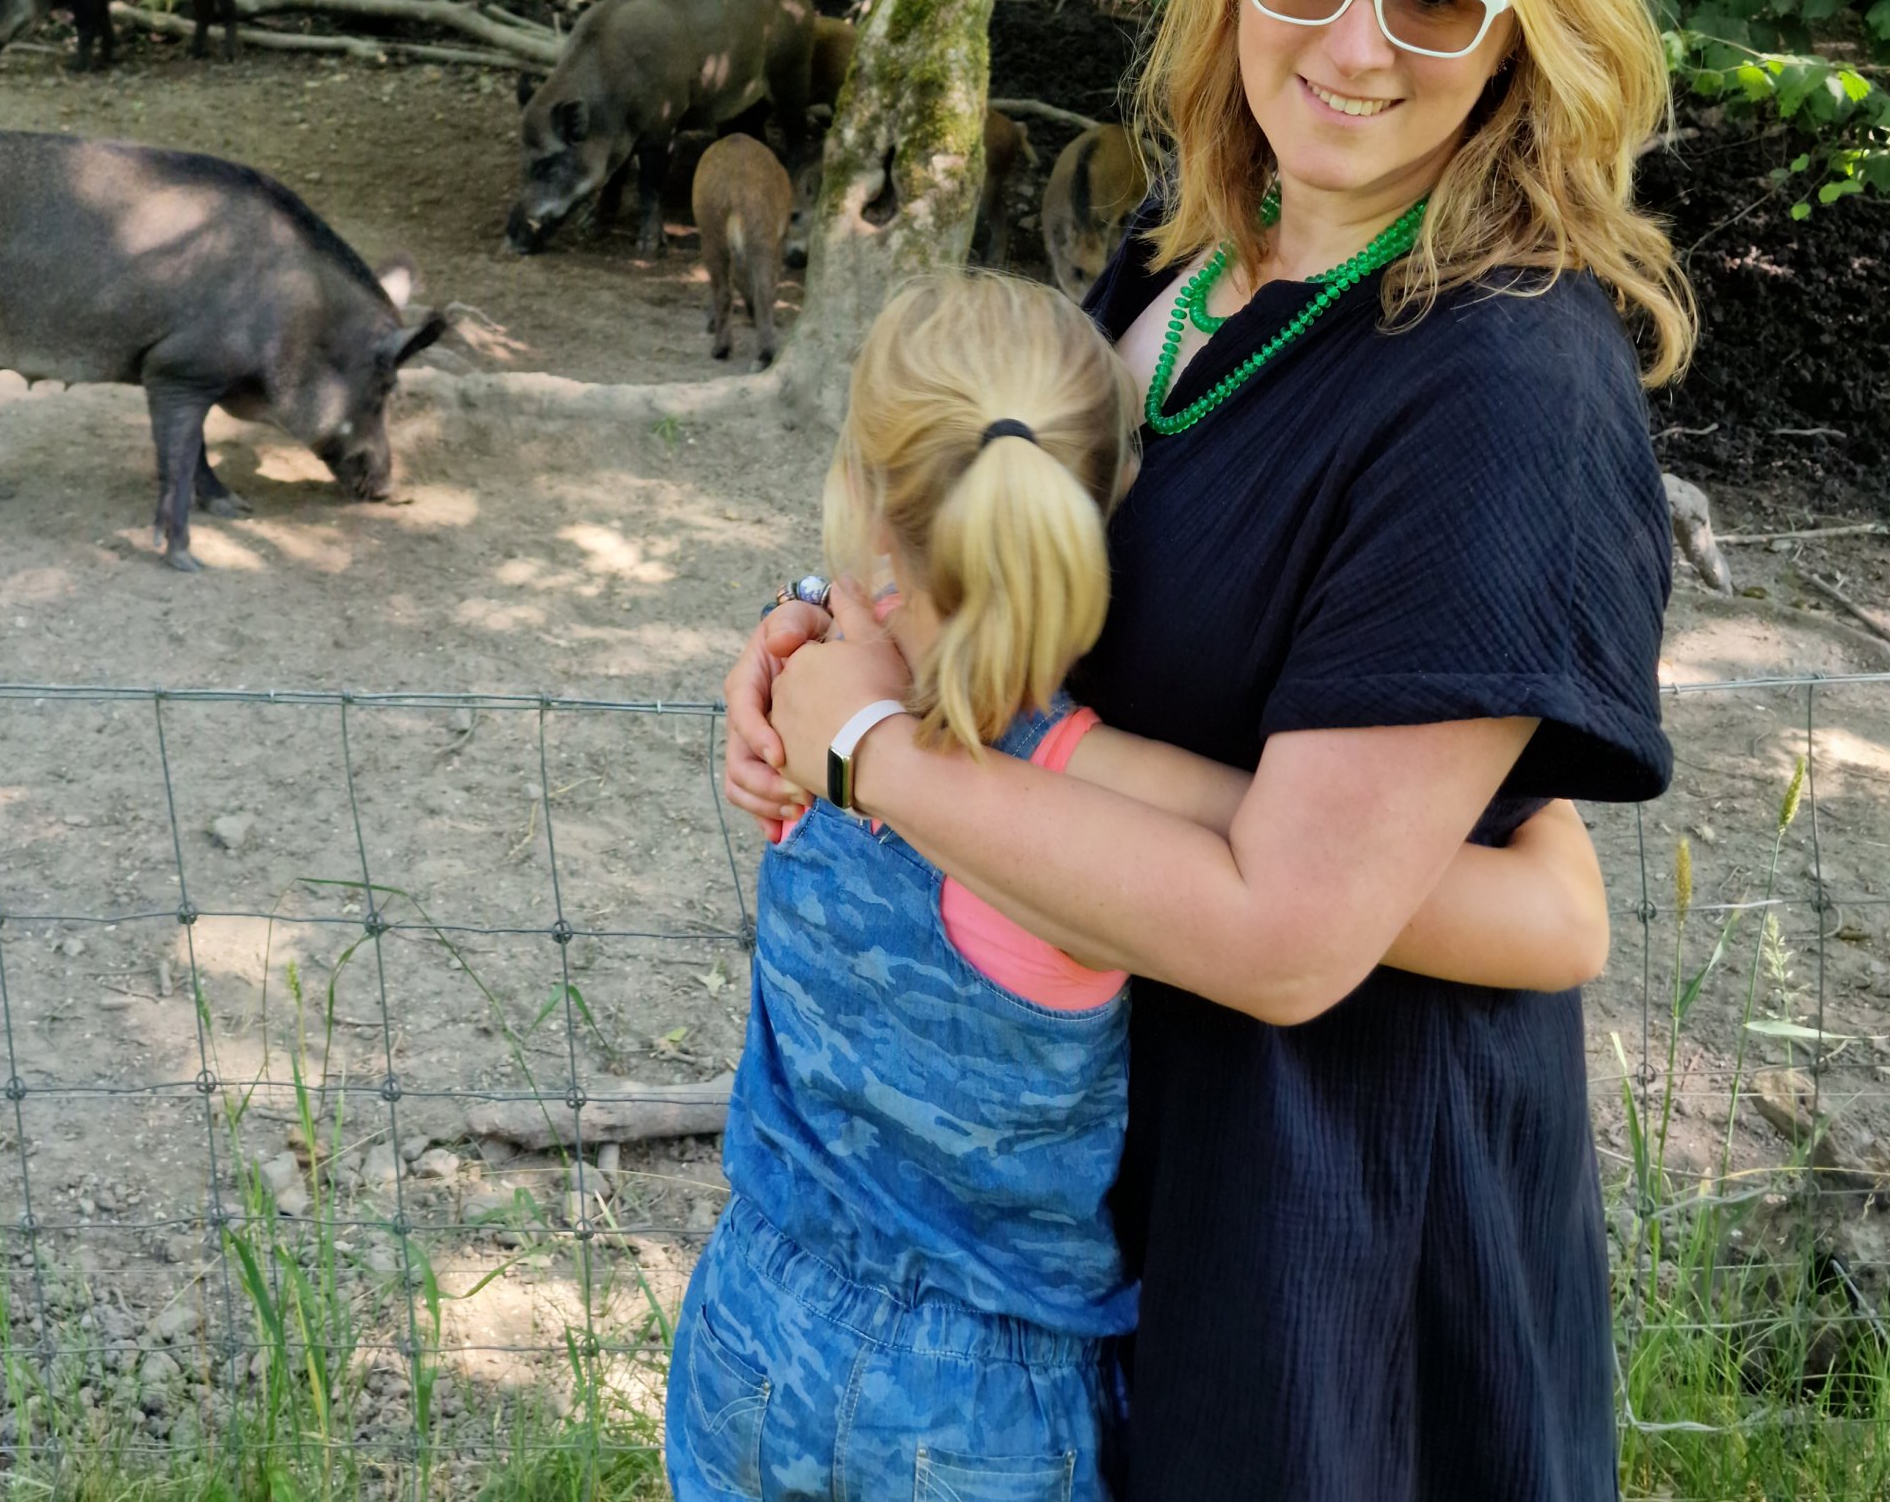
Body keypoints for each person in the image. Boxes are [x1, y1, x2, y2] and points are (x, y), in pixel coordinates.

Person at [726, 0, 1692, 1499]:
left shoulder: (1501, 392)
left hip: (1333, 1259)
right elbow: (1029, 575)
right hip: (1098, 1200)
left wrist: (875, 752)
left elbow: (1292, 934)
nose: (1350, 45)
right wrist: (837, 619)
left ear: (1524, 31)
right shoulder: (1194, 252)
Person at [673, 269, 1615, 1502]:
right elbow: (1534, 915)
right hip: (983, 1407)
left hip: (750, 1316)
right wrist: (1549, 837)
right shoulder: (1091, 777)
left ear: (861, 494)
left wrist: (806, 604)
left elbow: (857, 599)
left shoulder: (810, 686)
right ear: (1113, 512)